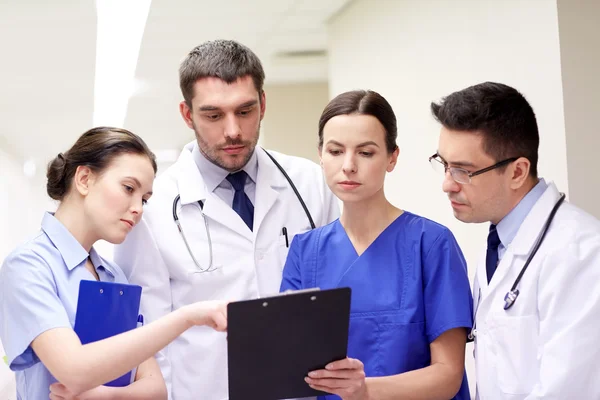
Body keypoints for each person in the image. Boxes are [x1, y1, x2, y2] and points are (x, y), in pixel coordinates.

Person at [113, 39, 339, 399]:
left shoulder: (310, 184)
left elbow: (336, 299)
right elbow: (149, 340)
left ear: (263, 104)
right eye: (213, 115)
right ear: (187, 115)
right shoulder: (151, 210)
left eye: (245, 111)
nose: (232, 131)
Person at [0, 127, 228, 400]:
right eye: (128, 188)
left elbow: (156, 389)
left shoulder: (113, 276)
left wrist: (106, 396)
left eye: (144, 199)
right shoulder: (28, 266)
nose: (139, 209)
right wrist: (187, 317)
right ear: (84, 179)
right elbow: (73, 369)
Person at [280, 90, 473, 400]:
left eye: (366, 152)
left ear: (392, 157)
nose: (348, 166)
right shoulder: (305, 252)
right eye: (335, 151)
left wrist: (363, 390)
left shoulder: (431, 245)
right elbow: (294, 369)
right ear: (320, 154)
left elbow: (448, 374)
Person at [430, 82, 600, 399]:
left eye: (463, 171)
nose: (447, 185)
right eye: (444, 165)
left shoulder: (581, 253)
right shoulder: (499, 245)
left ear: (518, 172)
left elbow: (568, 391)